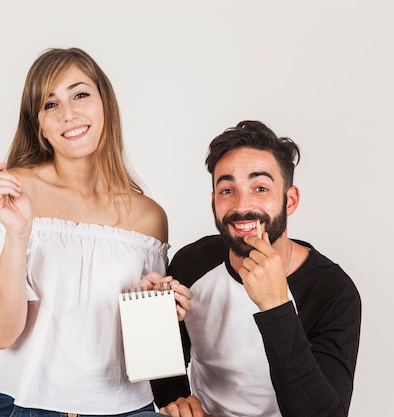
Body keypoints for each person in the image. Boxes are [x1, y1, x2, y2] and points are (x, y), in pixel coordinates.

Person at [0, 47, 192, 417]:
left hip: (126, 408)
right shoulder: (13, 193)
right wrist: (18, 233)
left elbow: (144, 353)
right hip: (21, 405)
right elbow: (0, 334)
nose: (69, 114)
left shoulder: (149, 217)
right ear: (39, 125)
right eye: (50, 104)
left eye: (80, 94)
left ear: (105, 104)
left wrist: (157, 307)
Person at [151, 120, 362, 417]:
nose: (242, 205)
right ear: (213, 202)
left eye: (260, 187)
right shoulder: (192, 263)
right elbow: (165, 366)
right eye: (227, 190)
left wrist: (275, 305)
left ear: (290, 200)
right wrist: (176, 397)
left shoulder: (333, 291)